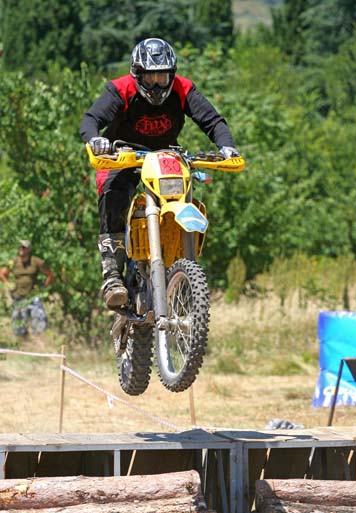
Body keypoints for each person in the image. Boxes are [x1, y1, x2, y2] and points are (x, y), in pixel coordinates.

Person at [80, 38, 240, 308]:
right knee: (113, 194)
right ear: (137, 74)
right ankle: (113, 276)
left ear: (172, 74)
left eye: (162, 76)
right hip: (122, 157)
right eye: (150, 77)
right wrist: (95, 139)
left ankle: (179, 266)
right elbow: (91, 119)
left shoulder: (183, 89)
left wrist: (227, 146)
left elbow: (212, 121)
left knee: (185, 193)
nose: (156, 84)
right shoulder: (120, 89)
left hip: (166, 157)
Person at [0, 240, 54, 337]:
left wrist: (43, 287)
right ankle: (22, 340)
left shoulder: (36, 261)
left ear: (28, 250)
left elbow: (49, 274)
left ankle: (39, 339)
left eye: (24, 248)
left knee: (39, 317)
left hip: (33, 294)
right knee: (18, 320)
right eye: (20, 247)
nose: (21, 250)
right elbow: (2, 274)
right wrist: (8, 284)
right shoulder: (13, 262)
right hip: (18, 295)